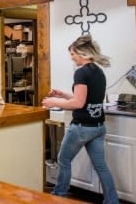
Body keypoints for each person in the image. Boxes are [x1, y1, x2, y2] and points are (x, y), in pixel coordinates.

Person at [42, 35, 119, 204]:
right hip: (98, 127)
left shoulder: (81, 72)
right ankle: (112, 201)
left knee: (63, 160)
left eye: (73, 54)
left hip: (82, 128)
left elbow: (78, 103)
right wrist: (62, 94)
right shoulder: (97, 71)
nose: (72, 58)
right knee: (101, 167)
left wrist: (54, 102)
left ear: (82, 53)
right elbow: (84, 98)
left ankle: (58, 196)